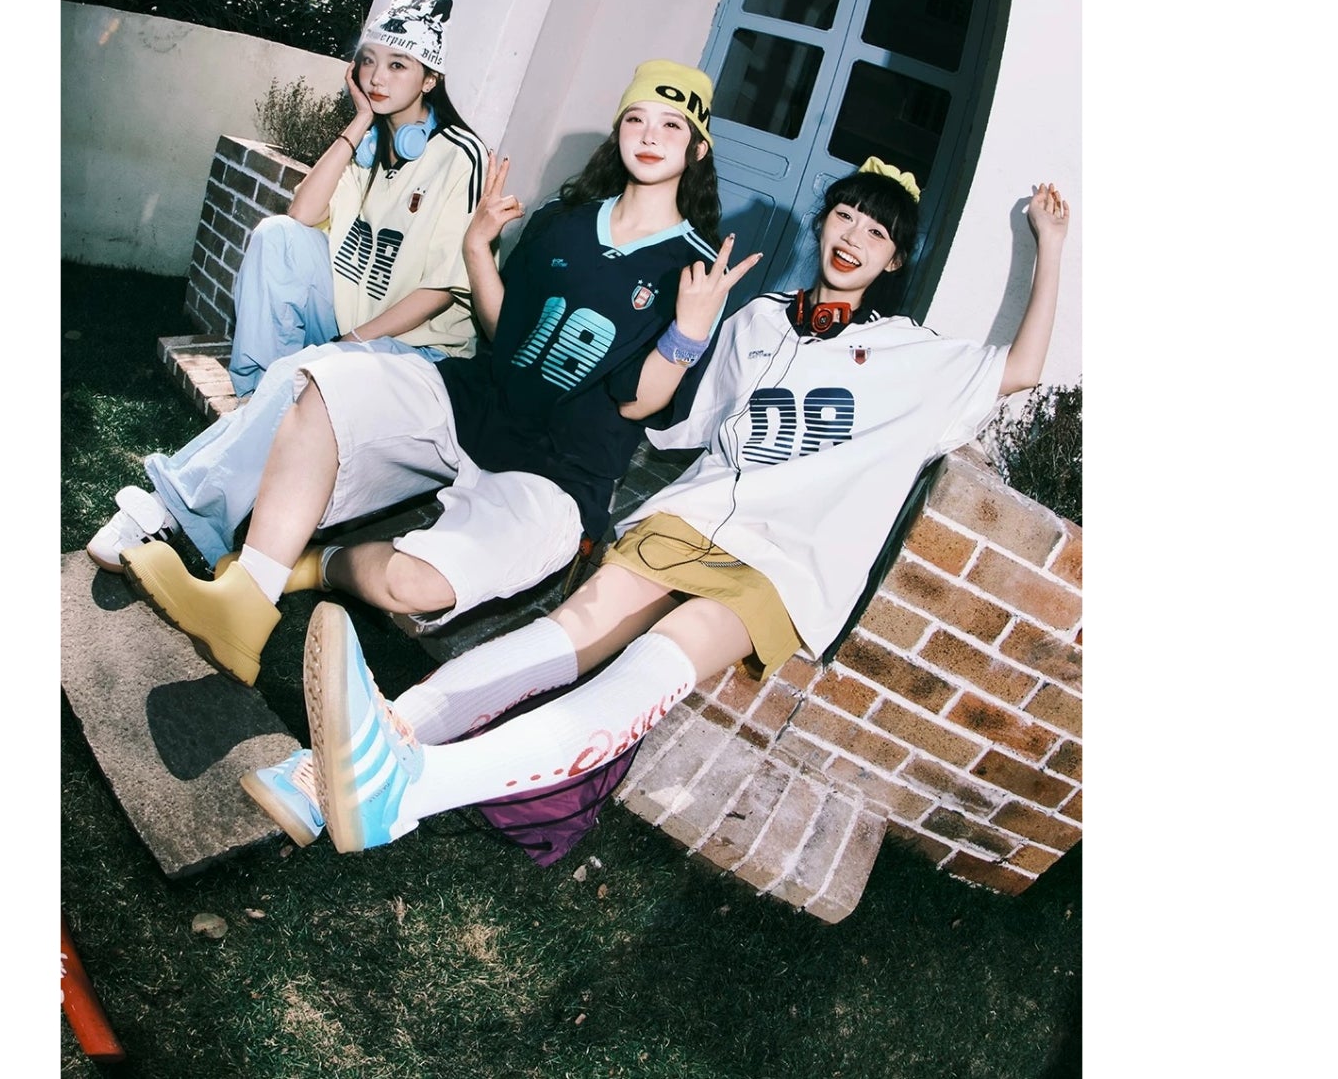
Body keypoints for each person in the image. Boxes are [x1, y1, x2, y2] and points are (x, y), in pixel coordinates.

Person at [238, 160, 1071, 854]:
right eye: (844, 216)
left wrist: (1050, 246)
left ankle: (409, 788)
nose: (852, 236)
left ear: (893, 261)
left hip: (780, 562)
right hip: (689, 518)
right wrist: (679, 331)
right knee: (558, 638)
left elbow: (1021, 369)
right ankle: (329, 771)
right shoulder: (757, 321)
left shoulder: (905, 355)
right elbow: (672, 419)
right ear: (823, 224)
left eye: (876, 232)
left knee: (646, 672)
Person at [118, 60, 758, 688]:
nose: (649, 136)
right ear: (618, 130)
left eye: (671, 126)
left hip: (560, 469)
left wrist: (688, 334)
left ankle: (318, 563)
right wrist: (478, 246)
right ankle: (243, 604)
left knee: (412, 586)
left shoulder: (696, 268)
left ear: (698, 148)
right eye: (637, 119)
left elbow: (638, 404)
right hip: (474, 404)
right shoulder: (562, 221)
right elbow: (504, 332)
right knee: (324, 379)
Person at [85, 0, 487, 576]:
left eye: (399, 65)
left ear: (430, 79)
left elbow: (441, 289)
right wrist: (359, 123)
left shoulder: (462, 155)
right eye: (369, 60)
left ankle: (176, 505)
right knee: (277, 235)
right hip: (350, 321)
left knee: (303, 371)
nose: (377, 76)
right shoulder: (370, 142)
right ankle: (258, 409)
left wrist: (348, 345)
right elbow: (302, 213)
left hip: (414, 349)